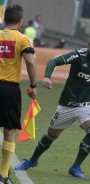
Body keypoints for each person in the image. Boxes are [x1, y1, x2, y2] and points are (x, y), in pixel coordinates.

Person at [14, 31, 90, 179]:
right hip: (67, 104)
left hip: (89, 105)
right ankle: (33, 160)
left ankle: (76, 166)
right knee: (51, 136)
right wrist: (47, 77)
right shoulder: (79, 55)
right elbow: (54, 61)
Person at [0, 4, 37, 184]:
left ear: (5, 19)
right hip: (9, 89)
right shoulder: (23, 39)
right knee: (9, 131)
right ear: (20, 21)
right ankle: (3, 176)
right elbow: (30, 62)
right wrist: (33, 84)